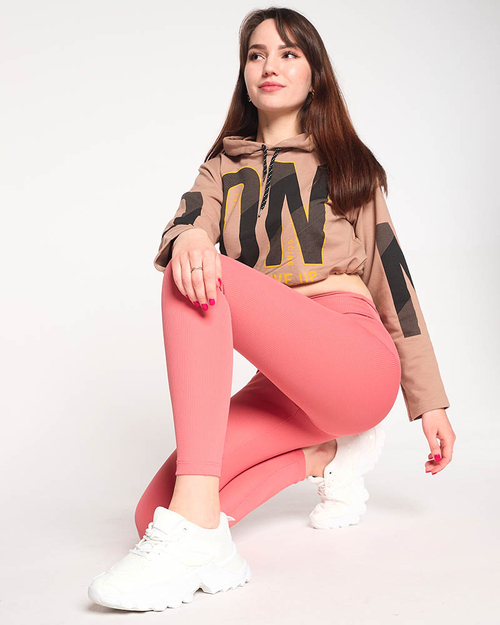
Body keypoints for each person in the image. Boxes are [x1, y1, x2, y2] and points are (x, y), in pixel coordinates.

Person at [88, 7, 456, 612]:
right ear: (244, 73)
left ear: (314, 75)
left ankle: (198, 528)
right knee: (152, 513)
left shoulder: (350, 165)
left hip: (353, 363)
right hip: (286, 386)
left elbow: (395, 282)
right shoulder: (220, 168)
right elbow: (185, 225)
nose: (270, 65)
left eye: (288, 54)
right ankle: (323, 460)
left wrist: (430, 401)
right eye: (256, 54)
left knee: (197, 270)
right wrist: (191, 235)